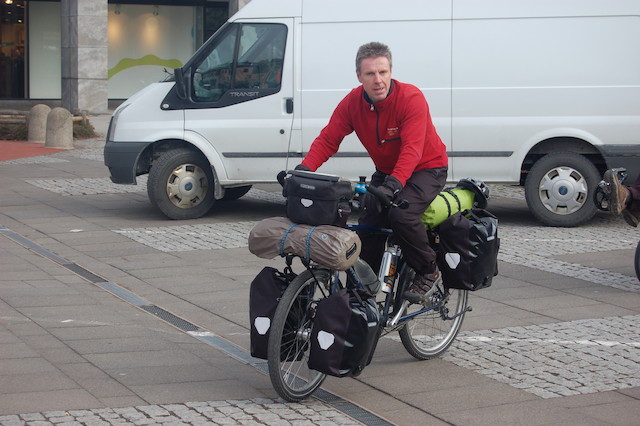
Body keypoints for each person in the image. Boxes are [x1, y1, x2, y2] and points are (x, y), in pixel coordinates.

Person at [297, 41, 448, 304]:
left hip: (427, 168)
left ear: (391, 72)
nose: (378, 80)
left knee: (401, 215)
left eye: (383, 72)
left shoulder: (410, 98)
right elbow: (329, 139)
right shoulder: (352, 102)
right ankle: (362, 294)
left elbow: (412, 149)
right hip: (387, 171)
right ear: (359, 76)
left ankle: (427, 269)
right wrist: (303, 171)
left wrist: (393, 186)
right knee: (368, 225)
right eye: (370, 73)